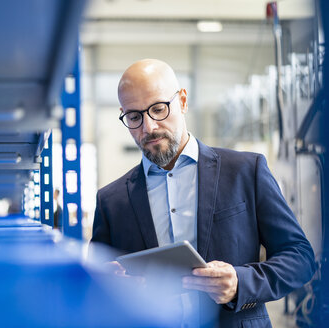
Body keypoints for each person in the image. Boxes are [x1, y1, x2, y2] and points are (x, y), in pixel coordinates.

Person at [91, 59, 316, 327]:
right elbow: (98, 286)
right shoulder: (111, 201)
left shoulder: (246, 171)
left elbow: (300, 257)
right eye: (134, 117)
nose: (148, 127)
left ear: (182, 101)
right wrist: (105, 286)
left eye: (158, 109)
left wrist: (241, 283)